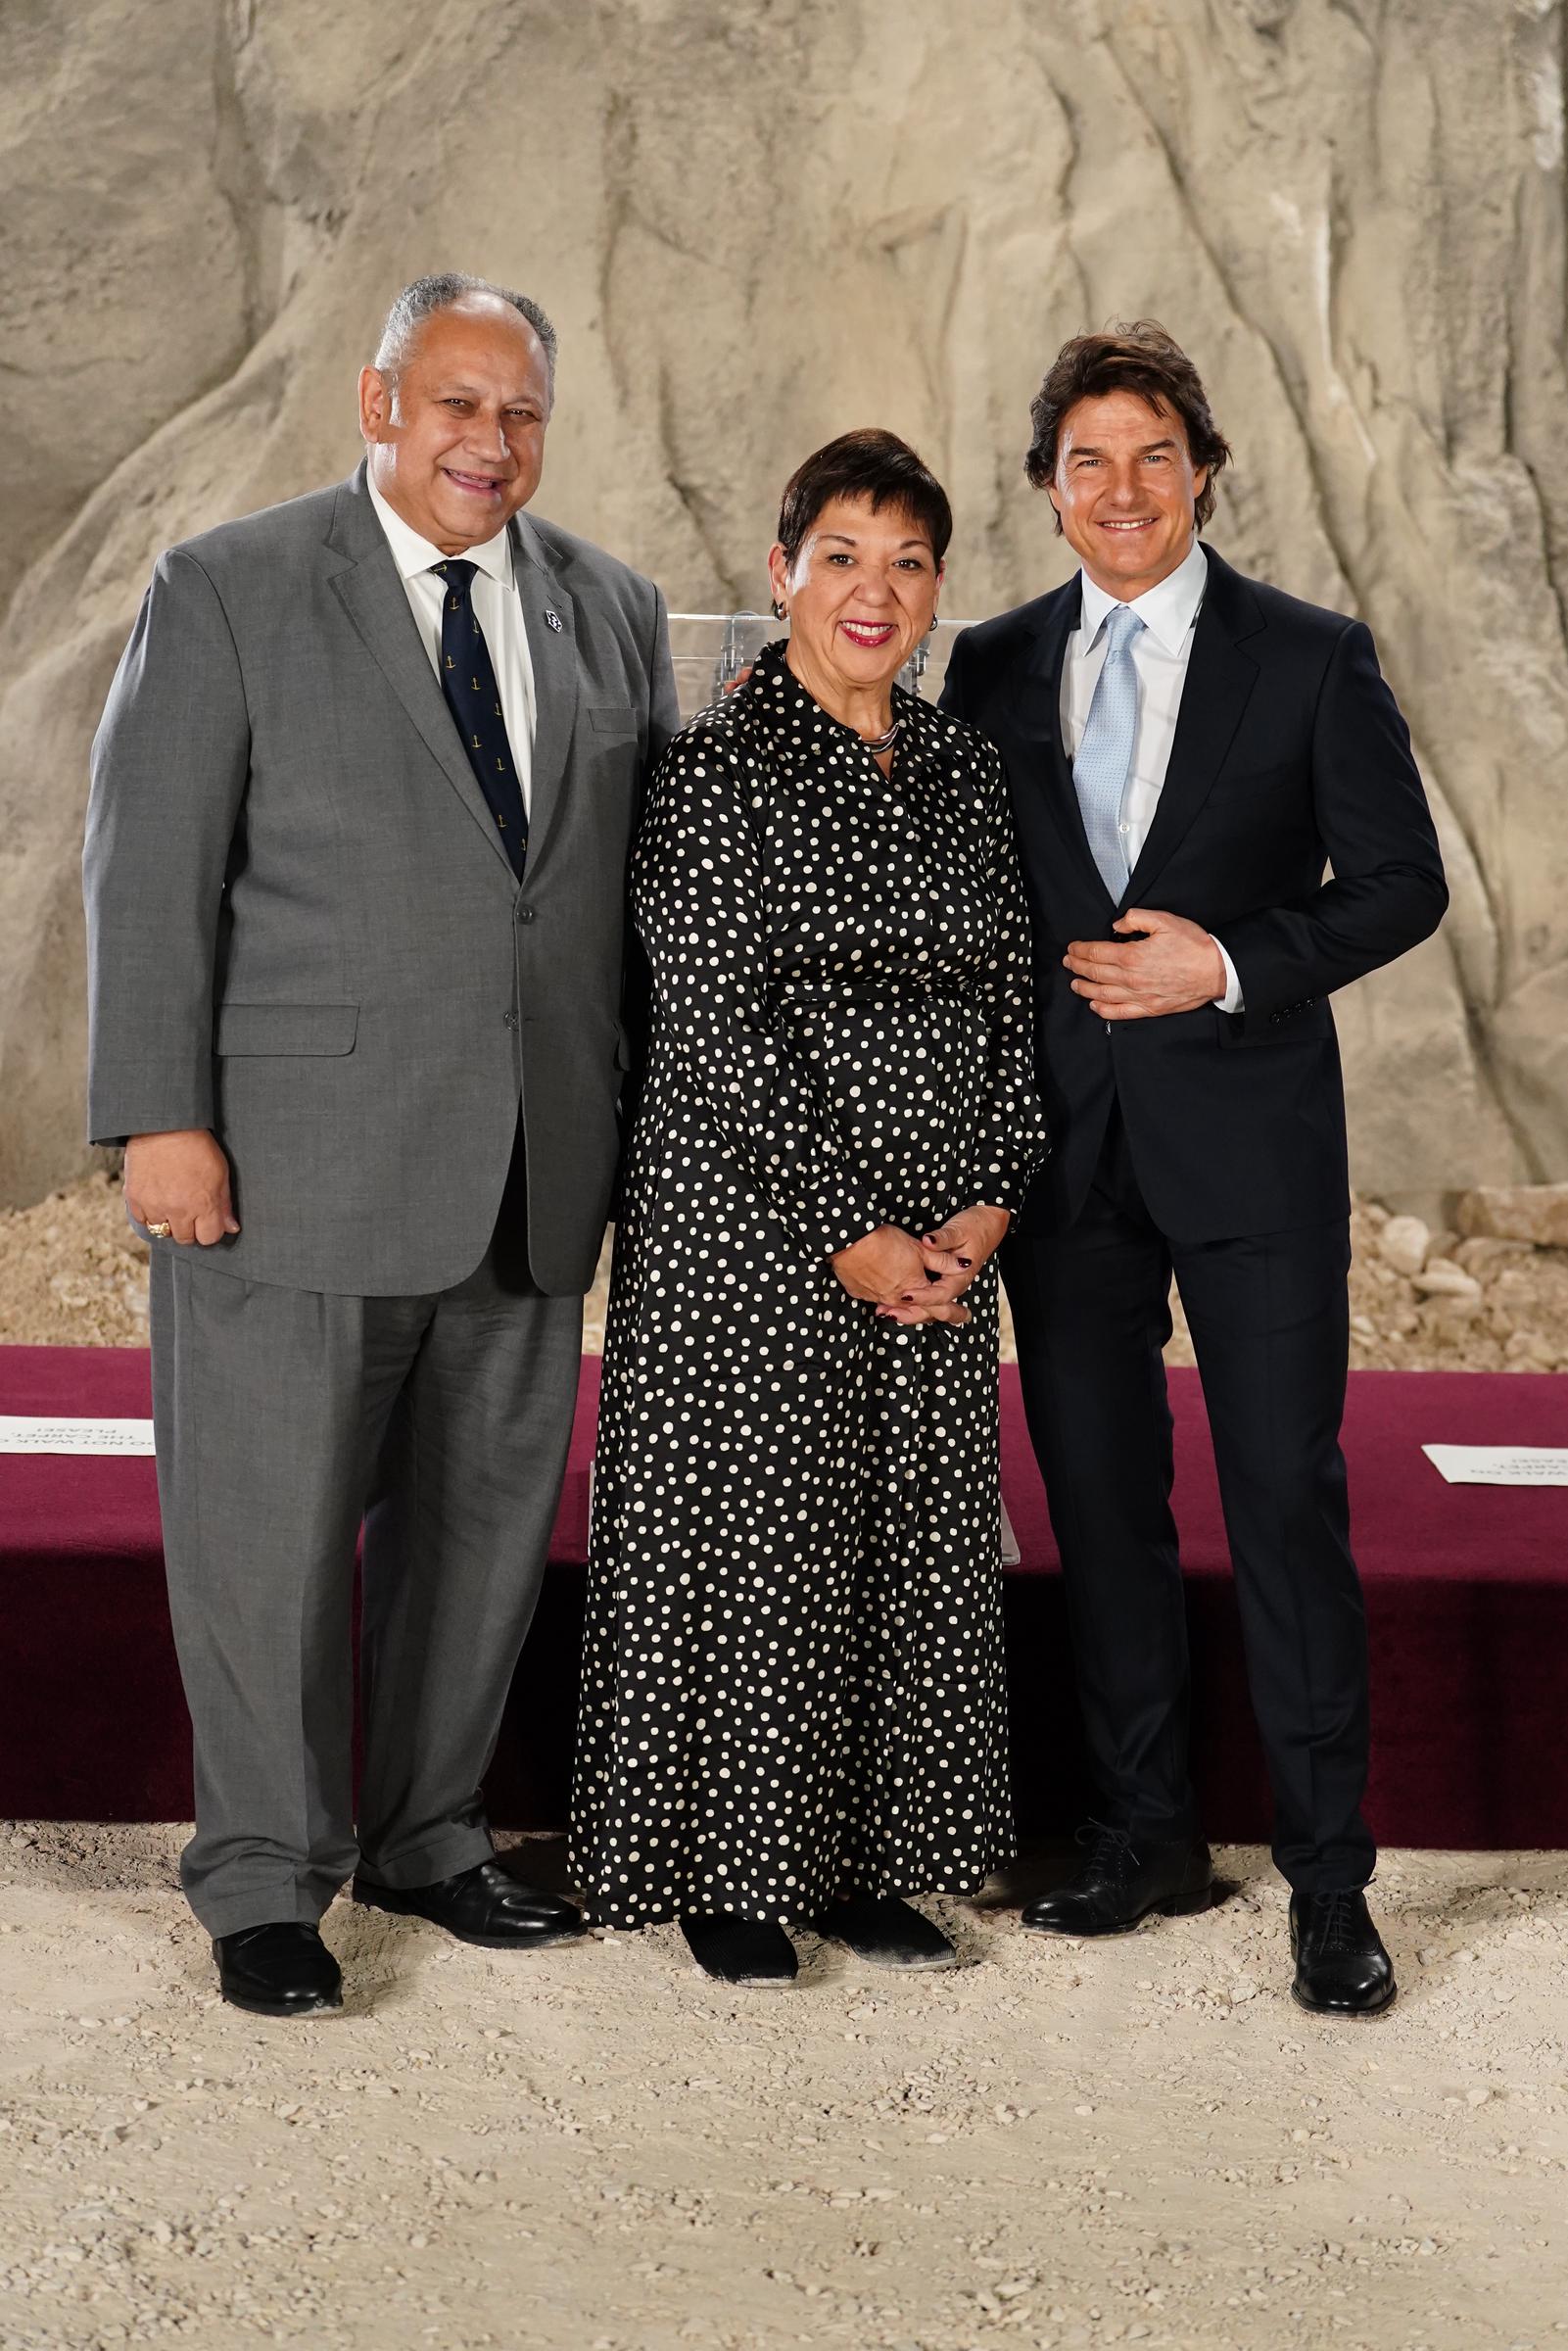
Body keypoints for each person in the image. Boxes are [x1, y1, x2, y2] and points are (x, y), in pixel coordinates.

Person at [83, 272, 680, 2018]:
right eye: (456, 406)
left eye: (520, 415)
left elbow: (601, 897)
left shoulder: (608, 607)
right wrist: (160, 1120)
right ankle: (265, 1877)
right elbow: (149, 868)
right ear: (377, 404)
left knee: (481, 1533)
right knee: (265, 1541)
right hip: (289, 1158)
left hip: (531, 1164)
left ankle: (430, 1837)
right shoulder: (231, 586)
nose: (488, 443)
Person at [940, 321, 1448, 2017]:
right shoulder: (995, 664)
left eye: (1153, 453)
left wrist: (1222, 961)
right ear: (1045, 487)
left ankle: (1326, 1883)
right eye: (1087, 459)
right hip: (1063, 1162)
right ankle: (1142, 1834)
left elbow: (1397, 885)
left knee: (1283, 1507)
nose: (1122, 488)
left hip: (1249, 1153)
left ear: (1203, 469)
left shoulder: (1307, 656)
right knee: (1100, 1508)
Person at [569, 430, 1051, 1986]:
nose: (873, 590)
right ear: (781, 574)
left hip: (936, 1235)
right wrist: (851, 1229)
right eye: (840, 555)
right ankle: (725, 1869)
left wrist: (985, 1200)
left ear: (933, 594)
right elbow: (716, 1024)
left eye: (906, 562)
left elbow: (1008, 1006)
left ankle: (864, 1866)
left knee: (901, 1540)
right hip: (750, 1222)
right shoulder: (710, 773)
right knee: (753, 1536)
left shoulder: (967, 769)